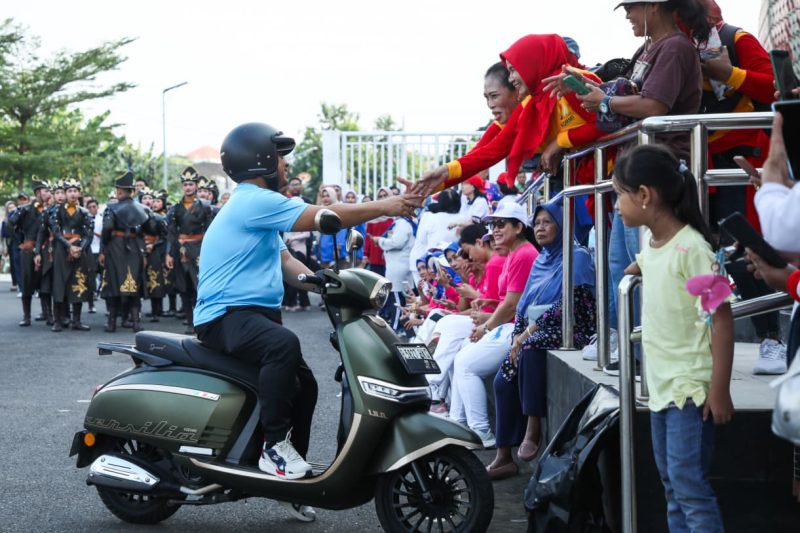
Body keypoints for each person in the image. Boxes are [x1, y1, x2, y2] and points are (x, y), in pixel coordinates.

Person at [193, 122, 418, 481]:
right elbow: (322, 217)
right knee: (283, 345)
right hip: (225, 315)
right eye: (281, 157)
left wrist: (322, 283)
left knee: (305, 385)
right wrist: (386, 206)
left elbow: (285, 261)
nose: (286, 165)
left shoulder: (257, 211)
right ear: (261, 160)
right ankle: (275, 447)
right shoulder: (254, 201)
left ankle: (291, 474)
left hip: (253, 316)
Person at [615, 144, 733, 532]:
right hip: (663, 387)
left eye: (620, 195)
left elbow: (721, 320)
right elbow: (647, 262)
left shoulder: (692, 249)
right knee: (672, 485)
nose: (616, 206)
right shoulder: (654, 244)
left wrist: (719, 390)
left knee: (689, 488)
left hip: (690, 389)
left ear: (645, 195)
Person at [489, 200, 596, 480]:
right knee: (502, 380)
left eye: (547, 222)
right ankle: (503, 457)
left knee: (532, 348)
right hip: (536, 329)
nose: (540, 228)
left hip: (571, 326)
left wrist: (526, 335)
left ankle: (533, 426)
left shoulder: (577, 256)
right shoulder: (541, 259)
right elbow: (524, 305)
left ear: (563, 224)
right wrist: (517, 336)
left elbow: (573, 304)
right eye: (536, 223)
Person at [449, 202, 538, 447]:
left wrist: (485, 327)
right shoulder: (512, 253)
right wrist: (487, 303)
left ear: (519, 227)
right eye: (492, 224)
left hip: (520, 328)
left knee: (465, 364)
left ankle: (481, 433)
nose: (495, 230)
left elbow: (511, 306)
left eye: (501, 224)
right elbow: (506, 301)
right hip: (511, 325)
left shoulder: (523, 253)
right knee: (462, 356)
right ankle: (457, 423)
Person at [426, 224, 507, 414]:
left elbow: (497, 306)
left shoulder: (495, 263)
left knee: (448, 327)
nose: (466, 260)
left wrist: (470, 294)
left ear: (480, 243)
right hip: (490, 323)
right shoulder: (486, 267)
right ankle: (452, 412)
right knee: (446, 329)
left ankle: (432, 386)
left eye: (462, 255)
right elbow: (484, 306)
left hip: (499, 326)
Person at [100, 172, 162, 333]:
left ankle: (112, 323)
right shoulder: (144, 209)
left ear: (120, 191)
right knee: (134, 283)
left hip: (116, 247)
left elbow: (106, 228)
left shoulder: (111, 208)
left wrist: (105, 245)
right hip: (135, 247)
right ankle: (135, 322)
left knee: (114, 283)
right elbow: (152, 229)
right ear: (132, 191)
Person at [165, 167, 216, 334]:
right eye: (185, 184)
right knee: (184, 287)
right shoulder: (175, 208)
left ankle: (203, 320)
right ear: (182, 187)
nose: (188, 187)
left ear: (196, 186)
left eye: (191, 184)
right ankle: (189, 320)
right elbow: (171, 234)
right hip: (180, 250)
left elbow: (210, 231)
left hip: (199, 250)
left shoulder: (205, 206)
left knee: (199, 286)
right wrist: (169, 253)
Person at [48, 178, 94, 332]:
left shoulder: (84, 212)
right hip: (61, 250)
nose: (73, 194)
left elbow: (89, 234)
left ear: (79, 193)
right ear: (65, 193)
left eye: (75, 191)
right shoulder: (56, 211)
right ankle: (58, 321)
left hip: (80, 250)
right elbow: (56, 231)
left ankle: (77, 320)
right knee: (60, 283)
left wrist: (80, 248)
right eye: (69, 191)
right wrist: (69, 246)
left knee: (78, 282)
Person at [9, 180, 51, 326]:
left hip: (46, 249)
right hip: (28, 250)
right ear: (38, 193)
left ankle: (48, 314)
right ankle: (26, 316)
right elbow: (10, 223)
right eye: (46, 191)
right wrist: (19, 242)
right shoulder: (26, 209)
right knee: (27, 282)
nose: (49, 194)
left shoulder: (51, 209)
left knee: (46, 281)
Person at [373, 212, 415, 332]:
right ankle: (404, 328)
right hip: (400, 263)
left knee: (397, 298)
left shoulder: (402, 224)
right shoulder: (404, 223)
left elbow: (397, 242)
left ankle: (396, 328)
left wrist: (380, 240)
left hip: (399, 264)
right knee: (404, 297)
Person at [408, 189, 462, 282]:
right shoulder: (462, 218)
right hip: (433, 263)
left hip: (429, 262)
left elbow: (422, 239)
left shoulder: (428, 216)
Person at [362, 187, 394, 276]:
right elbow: (368, 237)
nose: (383, 198)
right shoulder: (373, 216)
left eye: (385, 195)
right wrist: (365, 254)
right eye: (380, 196)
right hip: (375, 256)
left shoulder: (395, 216)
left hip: (390, 256)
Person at [85, 198, 102, 313]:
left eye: (94, 207)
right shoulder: (85, 219)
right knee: (90, 279)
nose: (92, 209)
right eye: (90, 207)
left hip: (100, 251)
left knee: (105, 277)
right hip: (90, 251)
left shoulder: (102, 219)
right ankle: (91, 304)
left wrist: (94, 232)